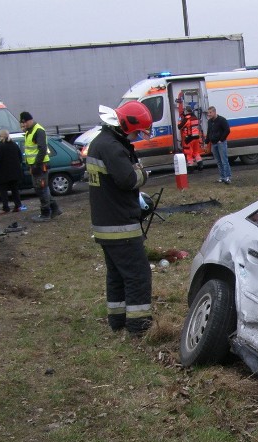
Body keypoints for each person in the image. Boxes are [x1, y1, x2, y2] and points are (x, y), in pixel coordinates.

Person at [87, 101, 155, 336]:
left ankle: (117, 320)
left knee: (116, 274)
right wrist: (143, 174)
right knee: (138, 274)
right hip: (120, 225)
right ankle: (139, 325)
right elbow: (127, 179)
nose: (138, 136)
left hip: (105, 222)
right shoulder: (113, 147)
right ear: (126, 126)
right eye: (137, 131)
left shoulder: (99, 143)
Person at [19, 111, 62, 222]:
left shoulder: (38, 130)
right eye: (22, 124)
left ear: (29, 120)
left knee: (41, 189)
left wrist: (36, 165)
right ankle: (54, 208)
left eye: (24, 123)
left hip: (40, 165)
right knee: (42, 188)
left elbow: (42, 149)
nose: (23, 126)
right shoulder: (30, 131)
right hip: (36, 165)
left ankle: (46, 213)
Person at [0, 129, 26, 213]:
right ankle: (18, 205)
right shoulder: (14, 145)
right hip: (15, 172)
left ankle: (6, 207)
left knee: (3, 191)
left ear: (0, 137)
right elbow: (20, 158)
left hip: (3, 174)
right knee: (15, 190)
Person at [205, 106, 231, 183]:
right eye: (208, 113)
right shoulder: (209, 122)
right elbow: (209, 132)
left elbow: (227, 130)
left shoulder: (222, 120)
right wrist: (206, 142)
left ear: (214, 112)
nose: (209, 114)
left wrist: (221, 139)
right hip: (213, 143)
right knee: (219, 161)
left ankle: (227, 177)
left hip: (221, 143)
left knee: (224, 161)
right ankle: (222, 177)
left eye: (210, 112)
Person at [176, 95, 203, 170]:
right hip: (196, 137)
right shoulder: (195, 118)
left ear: (186, 111)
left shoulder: (186, 119)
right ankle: (200, 165)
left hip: (189, 139)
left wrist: (179, 121)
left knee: (188, 153)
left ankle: (191, 167)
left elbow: (179, 127)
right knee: (196, 152)